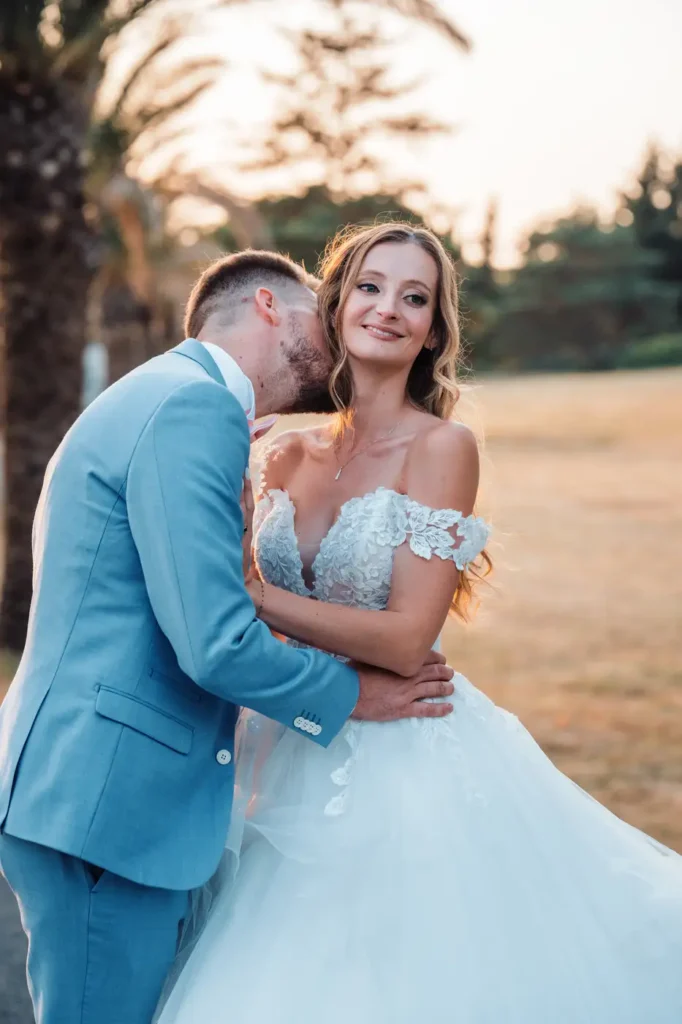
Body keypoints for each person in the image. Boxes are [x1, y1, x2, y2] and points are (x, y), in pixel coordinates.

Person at [157, 223, 682, 1024]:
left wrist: (257, 597)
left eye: (415, 298)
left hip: (398, 754)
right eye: (370, 287)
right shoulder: (281, 457)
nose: (388, 309)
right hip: (281, 740)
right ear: (336, 305)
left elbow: (407, 638)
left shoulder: (442, 448)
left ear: (434, 329)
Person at [0, 249, 455, 1024]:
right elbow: (214, 642)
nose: (351, 323)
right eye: (329, 305)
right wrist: (353, 697)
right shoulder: (191, 408)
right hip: (111, 806)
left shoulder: (165, 396)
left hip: (99, 789)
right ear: (271, 309)